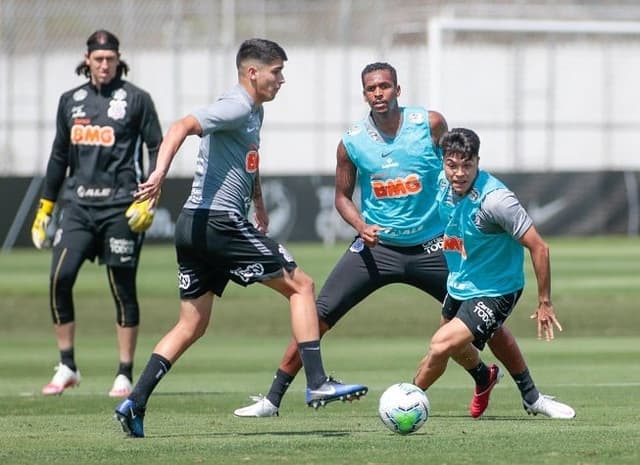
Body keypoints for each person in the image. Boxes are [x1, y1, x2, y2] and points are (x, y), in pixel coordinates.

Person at [234, 62, 575, 420]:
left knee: (483, 321)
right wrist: (360, 224)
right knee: (317, 315)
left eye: (384, 86)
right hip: (376, 248)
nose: (378, 93)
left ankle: (532, 397)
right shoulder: (351, 142)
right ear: (364, 94)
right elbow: (341, 197)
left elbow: (457, 165)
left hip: (433, 249)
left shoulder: (429, 124)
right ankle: (272, 400)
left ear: (398, 90)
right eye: (370, 89)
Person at [113, 38, 368, 438]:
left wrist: (259, 202)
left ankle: (135, 401)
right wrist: (160, 172)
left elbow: (248, 158)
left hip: (193, 225)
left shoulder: (254, 112)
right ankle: (317, 381)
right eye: (276, 72)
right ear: (253, 72)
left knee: (191, 325)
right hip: (219, 223)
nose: (282, 80)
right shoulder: (236, 105)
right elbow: (181, 126)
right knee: (302, 286)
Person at [31, 30, 163, 398]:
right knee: (61, 278)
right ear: (87, 59)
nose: (104, 65)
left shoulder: (136, 99)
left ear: (119, 59)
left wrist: (149, 197)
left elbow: (157, 147)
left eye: (110, 59)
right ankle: (67, 366)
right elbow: (59, 157)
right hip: (77, 207)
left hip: (121, 207)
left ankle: (124, 373)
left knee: (121, 288)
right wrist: (45, 207)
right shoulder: (69, 101)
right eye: (98, 59)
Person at [412, 127, 575, 419]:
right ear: (443, 163)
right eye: (452, 165)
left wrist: (544, 302)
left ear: (477, 161)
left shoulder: (497, 201)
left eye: (467, 165)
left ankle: (406, 399)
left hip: (497, 289)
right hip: (461, 282)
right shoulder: (440, 182)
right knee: (464, 345)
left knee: (440, 345)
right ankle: (502, 384)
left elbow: (539, 247)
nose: (459, 173)